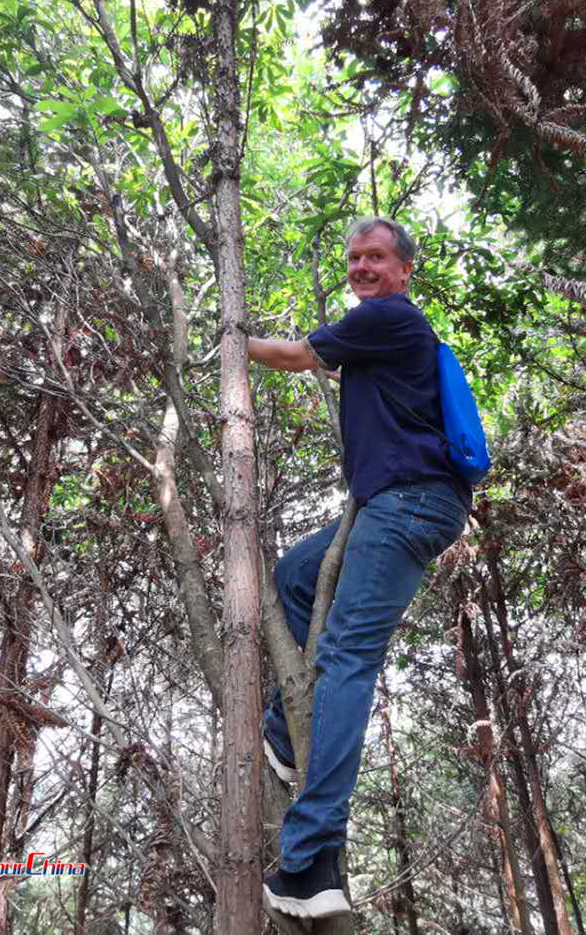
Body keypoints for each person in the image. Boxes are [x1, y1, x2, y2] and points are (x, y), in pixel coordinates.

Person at [247, 217, 471, 920]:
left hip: (409, 504)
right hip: (389, 506)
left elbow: (294, 355)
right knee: (296, 574)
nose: (362, 267)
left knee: (345, 658)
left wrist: (232, 340)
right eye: (353, 258)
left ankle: (311, 863)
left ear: (405, 269)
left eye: (376, 257)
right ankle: (286, 734)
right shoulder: (382, 337)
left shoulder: (392, 318)